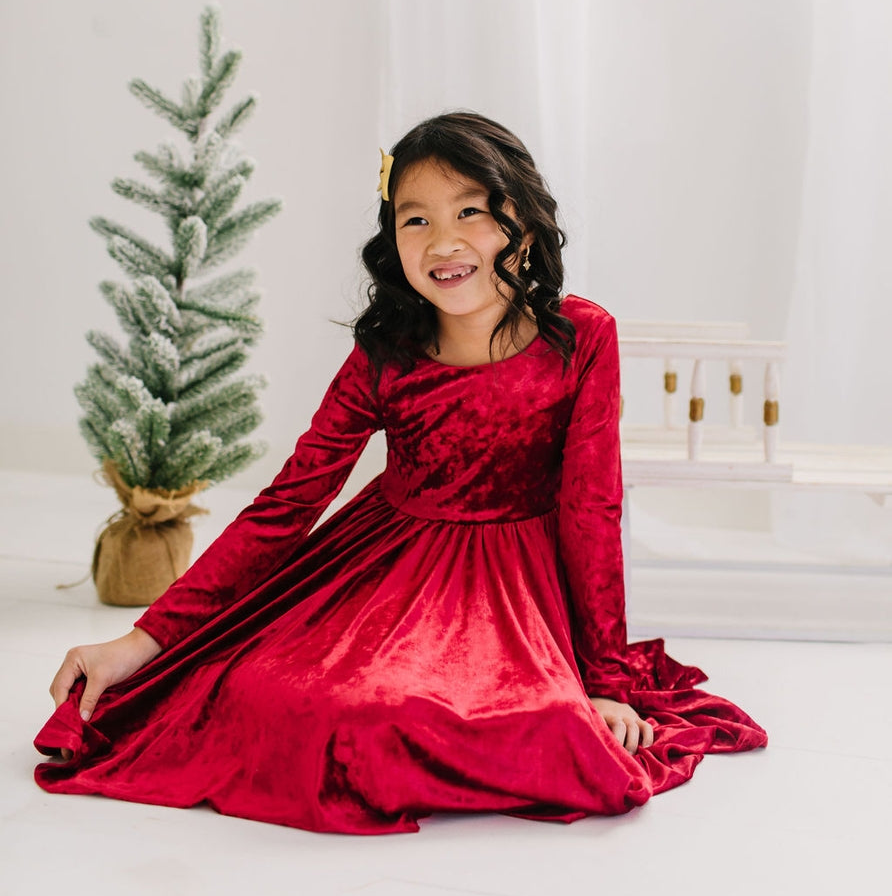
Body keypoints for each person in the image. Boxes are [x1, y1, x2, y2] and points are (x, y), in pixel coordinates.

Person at [35, 111, 767, 834]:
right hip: (390, 567)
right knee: (284, 698)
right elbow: (288, 502)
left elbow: (591, 506)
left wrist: (607, 682)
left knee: (536, 725)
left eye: (472, 212)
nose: (444, 242)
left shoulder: (581, 337)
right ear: (393, 241)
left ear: (527, 227)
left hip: (518, 587)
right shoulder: (386, 353)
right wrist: (142, 641)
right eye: (415, 220)